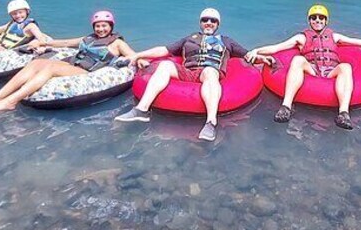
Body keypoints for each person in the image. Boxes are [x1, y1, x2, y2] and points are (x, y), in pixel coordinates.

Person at [114, 8, 272, 142]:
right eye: (205, 20)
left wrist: (263, 58)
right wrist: (136, 55)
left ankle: (211, 122)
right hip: (188, 71)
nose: (208, 23)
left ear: (217, 24)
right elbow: (164, 50)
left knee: (210, 71)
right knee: (165, 65)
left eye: (213, 21)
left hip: (210, 72)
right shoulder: (189, 38)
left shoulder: (227, 41)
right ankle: (142, 110)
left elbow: (247, 55)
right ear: (200, 23)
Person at [245, 4, 361, 129]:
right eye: (314, 18)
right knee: (298, 60)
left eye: (321, 18)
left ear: (326, 21)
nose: (317, 20)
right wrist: (256, 50)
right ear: (309, 20)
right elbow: (277, 48)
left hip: (331, 71)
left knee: (346, 67)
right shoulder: (302, 38)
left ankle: (343, 113)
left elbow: (359, 42)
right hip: (312, 69)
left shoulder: (334, 36)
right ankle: (286, 106)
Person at [0, 10, 136, 111]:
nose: (101, 29)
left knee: (49, 69)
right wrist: (43, 42)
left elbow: (132, 55)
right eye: (98, 26)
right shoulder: (88, 38)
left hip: (87, 70)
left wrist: (140, 60)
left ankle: (11, 101)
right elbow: (65, 43)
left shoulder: (117, 43)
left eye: (104, 26)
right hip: (72, 63)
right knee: (36, 63)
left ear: (111, 26)